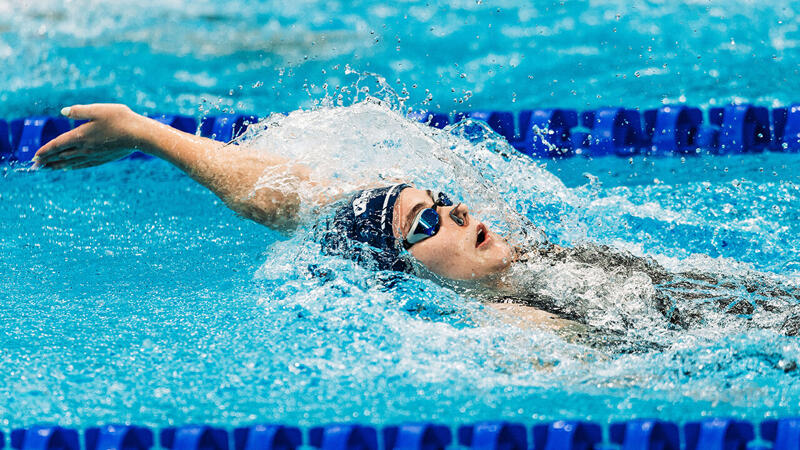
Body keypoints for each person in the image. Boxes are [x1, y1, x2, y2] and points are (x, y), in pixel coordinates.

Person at [34, 103, 800, 343]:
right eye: (428, 223)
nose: (457, 211)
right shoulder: (518, 327)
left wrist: (146, 132)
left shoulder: (529, 256)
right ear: (404, 273)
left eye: (441, 201)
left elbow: (281, 195)